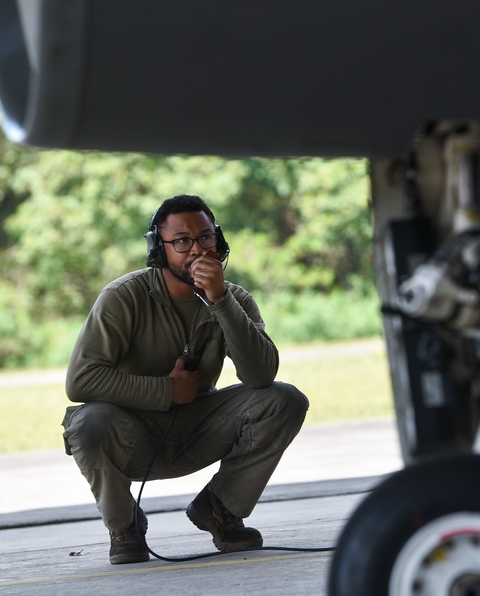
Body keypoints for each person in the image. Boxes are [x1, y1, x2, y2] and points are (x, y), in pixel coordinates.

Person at [62, 194, 308, 565]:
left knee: (284, 400)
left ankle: (220, 509)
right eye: (181, 241)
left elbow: (261, 375)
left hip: (199, 428)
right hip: (132, 435)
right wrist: (168, 390)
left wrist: (221, 301)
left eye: (206, 238)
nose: (196, 250)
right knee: (87, 424)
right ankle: (125, 525)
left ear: (219, 241)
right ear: (158, 249)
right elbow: (80, 381)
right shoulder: (123, 297)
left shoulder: (235, 299)